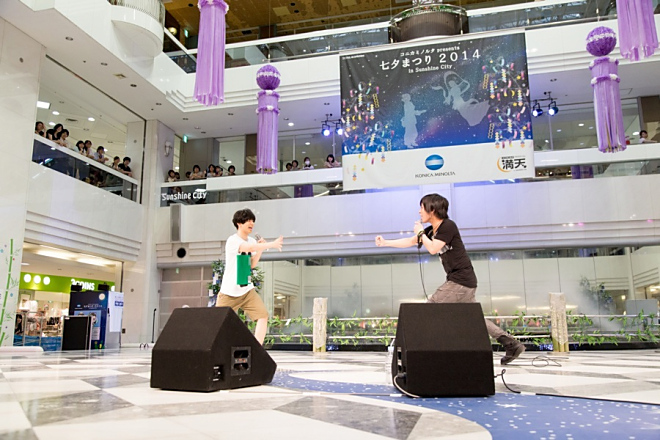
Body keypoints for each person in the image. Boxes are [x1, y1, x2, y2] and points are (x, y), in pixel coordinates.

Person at [374, 193, 525, 365]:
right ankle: (511, 344)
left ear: (432, 209)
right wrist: (386, 242)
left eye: (422, 207)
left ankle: (422, 356)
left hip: (460, 281)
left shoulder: (448, 226)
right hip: (463, 281)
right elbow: (410, 241)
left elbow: (433, 248)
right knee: (472, 318)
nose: (419, 211)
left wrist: (421, 232)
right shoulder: (431, 231)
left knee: (428, 311)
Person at [217, 209, 283, 345]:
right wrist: (271, 244)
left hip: (246, 290)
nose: (251, 223)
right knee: (218, 324)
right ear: (239, 223)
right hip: (229, 292)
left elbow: (251, 264)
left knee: (263, 316)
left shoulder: (252, 240)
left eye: (253, 221)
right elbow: (248, 248)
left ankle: (257, 348)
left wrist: (261, 249)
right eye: (248, 220)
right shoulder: (233, 240)